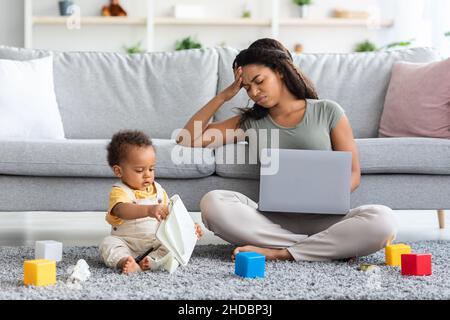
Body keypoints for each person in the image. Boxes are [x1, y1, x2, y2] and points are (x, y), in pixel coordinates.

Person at [176, 38, 397, 262]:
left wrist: (326, 196)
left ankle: (280, 252)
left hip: (325, 218)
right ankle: (323, 247)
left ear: (280, 71)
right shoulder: (250, 122)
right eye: (247, 88)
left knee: (383, 219)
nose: (254, 92)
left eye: (259, 81)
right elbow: (188, 139)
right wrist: (223, 96)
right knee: (212, 203)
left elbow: (353, 173)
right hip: (272, 221)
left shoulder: (327, 111)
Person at [100, 130, 203, 274]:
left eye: (151, 168)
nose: (147, 174)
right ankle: (125, 261)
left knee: (172, 247)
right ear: (118, 171)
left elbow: (173, 216)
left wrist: (190, 227)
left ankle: (151, 261)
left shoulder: (159, 191)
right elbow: (121, 210)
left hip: (155, 243)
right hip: (126, 243)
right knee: (108, 244)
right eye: (139, 170)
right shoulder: (120, 191)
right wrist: (149, 210)